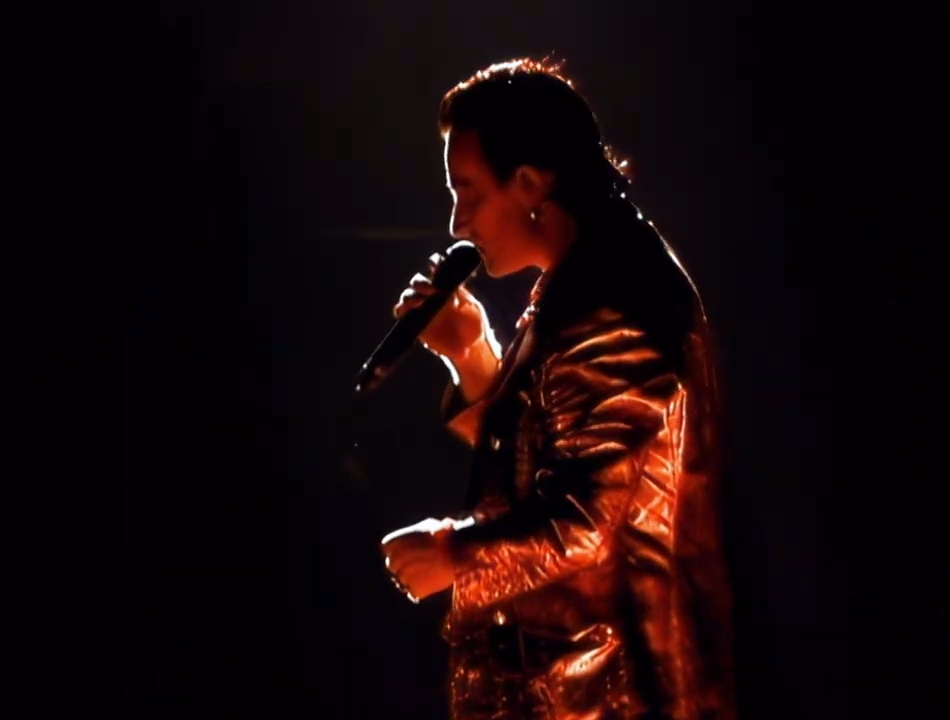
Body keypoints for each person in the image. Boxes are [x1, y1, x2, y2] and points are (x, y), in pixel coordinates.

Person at [380, 58, 735, 719]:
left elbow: (584, 516)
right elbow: (540, 455)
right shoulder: (586, 283)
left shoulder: (614, 304)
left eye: (468, 191)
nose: (459, 223)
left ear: (530, 182)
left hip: (605, 696)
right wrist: (470, 352)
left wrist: (454, 554)